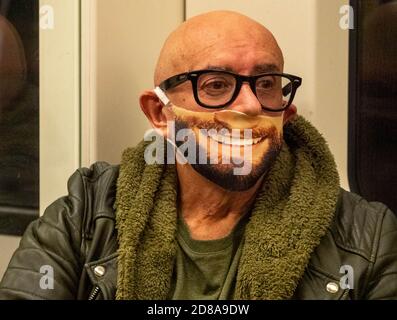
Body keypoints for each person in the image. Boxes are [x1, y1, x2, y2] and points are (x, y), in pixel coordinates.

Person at [0, 10, 396, 300]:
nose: (248, 105)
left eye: (266, 82)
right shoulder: (84, 215)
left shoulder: (368, 238)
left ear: (286, 111)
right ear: (159, 113)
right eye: (216, 84)